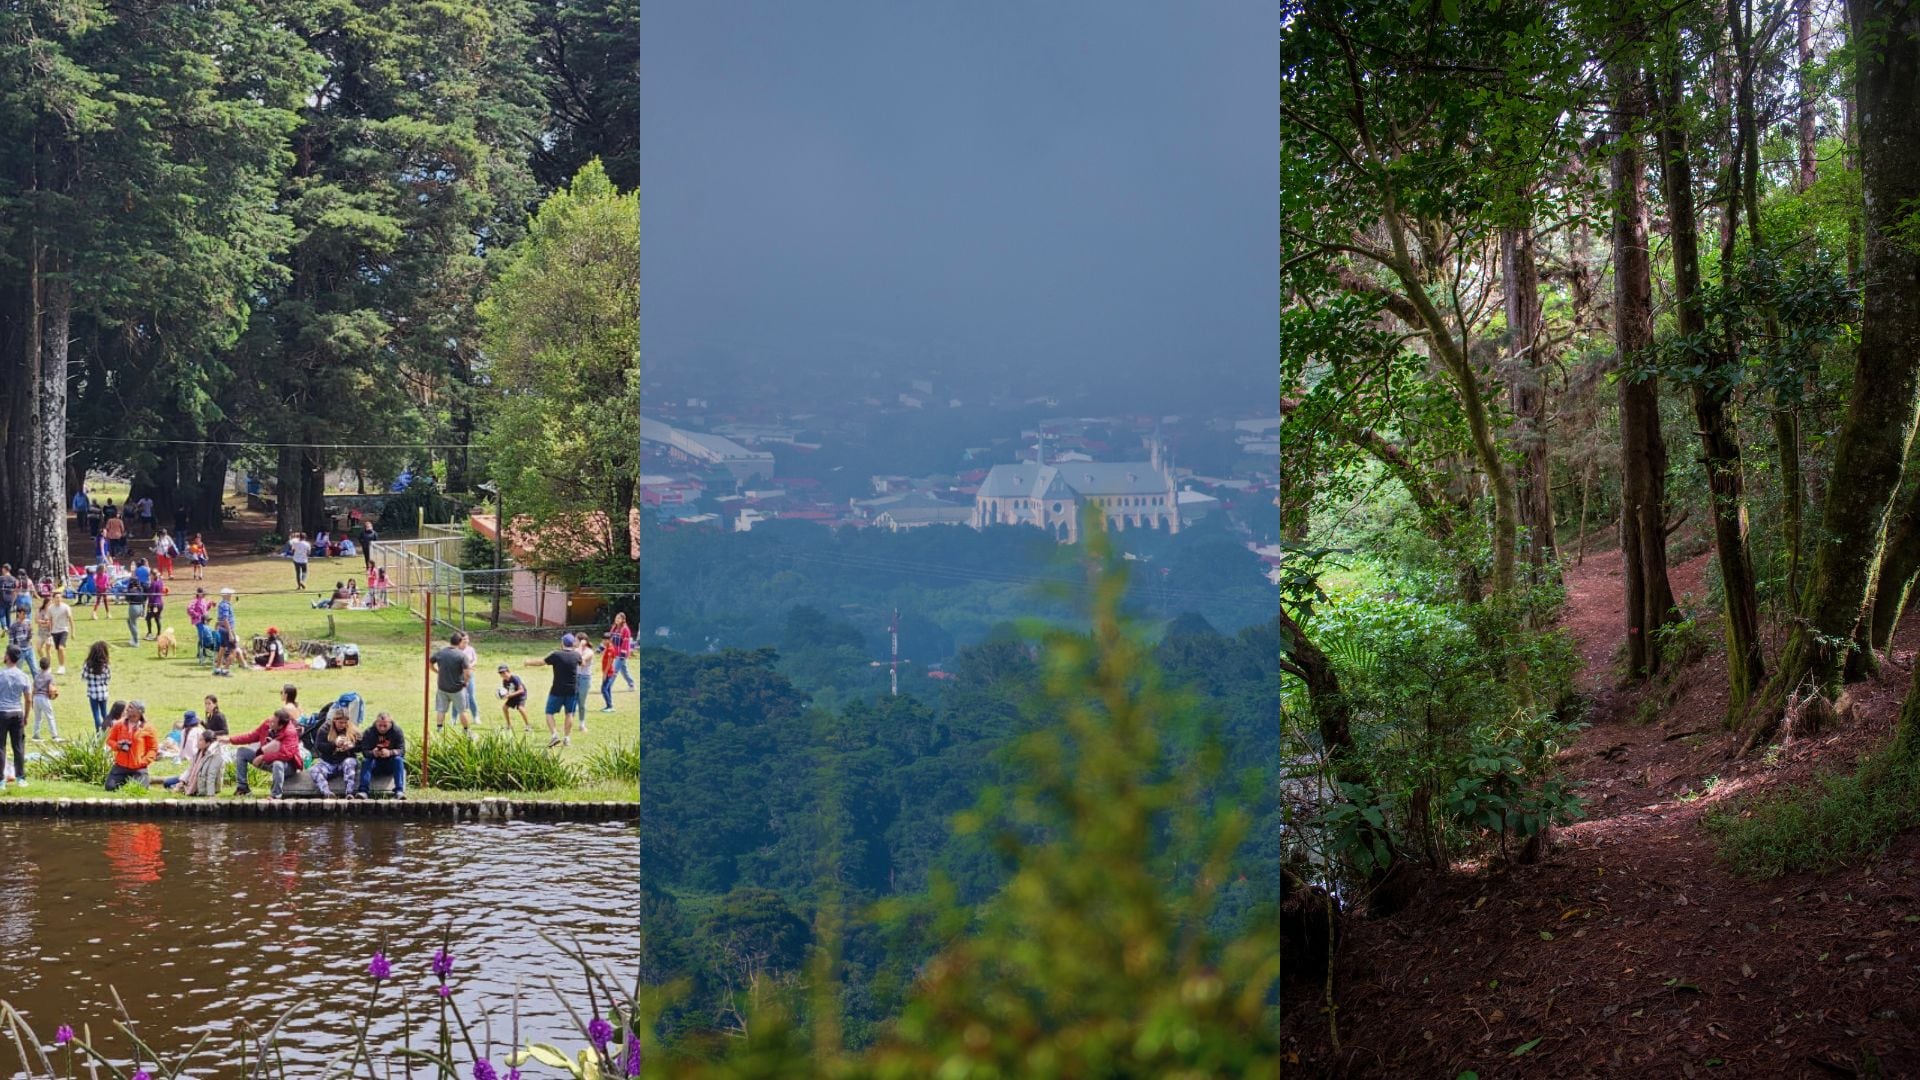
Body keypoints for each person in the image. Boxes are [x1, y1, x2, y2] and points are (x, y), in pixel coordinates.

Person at [224, 705, 302, 799]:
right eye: (271, 719)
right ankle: (243, 788)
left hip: (287, 766)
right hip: (267, 760)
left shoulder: (290, 732)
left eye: (273, 722)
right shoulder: (267, 724)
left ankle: (276, 795)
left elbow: (285, 754)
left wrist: (263, 757)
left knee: (278, 764)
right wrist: (230, 740)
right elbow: (252, 736)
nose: (270, 723)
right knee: (242, 752)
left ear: (281, 725)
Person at [526, 633, 582, 748]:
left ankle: (555, 735)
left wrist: (528, 662)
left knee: (549, 712)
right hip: (573, 690)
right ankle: (567, 738)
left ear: (562, 643)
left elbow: (541, 662)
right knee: (569, 713)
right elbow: (583, 663)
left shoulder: (556, 655)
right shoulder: (576, 655)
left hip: (557, 689)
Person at [103, 699, 159, 791]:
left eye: (130, 707)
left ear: (139, 711)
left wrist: (144, 761)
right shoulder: (119, 724)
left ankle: (135, 779)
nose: (127, 709)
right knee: (110, 787)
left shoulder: (149, 728)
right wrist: (118, 746)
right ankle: (126, 780)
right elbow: (110, 740)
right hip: (120, 765)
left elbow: (153, 748)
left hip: (138, 767)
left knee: (140, 789)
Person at [308, 707, 360, 797]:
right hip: (328, 762)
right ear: (334, 720)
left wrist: (352, 746)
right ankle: (326, 792)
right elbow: (319, 746)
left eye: (345, 723)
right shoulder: (325, 729)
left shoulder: (352, 729)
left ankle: (349, 792)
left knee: (350, 762)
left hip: (345, 761)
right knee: (314, 770)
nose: (343, 725)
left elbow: (363, 745)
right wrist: (334, 744)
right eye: (340, 722)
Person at [430, 631, 474, 735]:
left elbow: (429, 662)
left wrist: (436, 671)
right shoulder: (461, 656)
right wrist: (466, 682)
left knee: (441, 709)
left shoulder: (441, 653)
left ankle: (439, 729)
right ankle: (466, 730)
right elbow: (467, 673)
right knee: (462, 710)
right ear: (459, 642)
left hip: (442, 687)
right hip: (457, 688)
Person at [355, 711, 406, 799]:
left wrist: (390, 753)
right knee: (366, 761)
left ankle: (399, 791)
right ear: (376, 723)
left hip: (390, 763)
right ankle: (363, 791)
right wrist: (373, 753)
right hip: (375, 764)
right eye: (380, 725)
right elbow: (364, 751)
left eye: (385, 726)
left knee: (398, 760)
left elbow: (402, 751)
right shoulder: (369, 732)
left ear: (390, 723)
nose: (382, 728)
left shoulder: (397, 731)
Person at [0, 646, 30, 788]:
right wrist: (26, 716)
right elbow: (28, 699)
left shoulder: (1, 675)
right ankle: (20, 778)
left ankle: (1, 780)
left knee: (1, 746)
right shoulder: (24, 676)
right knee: (18, 746)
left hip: (2, 712)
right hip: (17, 712)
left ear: (8, 657)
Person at [81, 641, 113, 733]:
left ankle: (99, 732)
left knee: (96, 714)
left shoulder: (88, 665)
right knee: (105, 713)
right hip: (103, 692)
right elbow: (108, 677)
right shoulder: (105, 665)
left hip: (93, 693)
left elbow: (84, 677)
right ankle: (108, 730)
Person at [497, 664, 530, 732]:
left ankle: (528, 725)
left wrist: (510, 695)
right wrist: (504, 696)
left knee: (520, 708)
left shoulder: (515, 678)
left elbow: (521, 690)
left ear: (508, 671)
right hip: (513, 696)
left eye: (504, 672)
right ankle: (509, 725)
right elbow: (507, 691)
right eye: (500, 673)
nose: (503, 674)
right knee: (504, 707)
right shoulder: (504, 681)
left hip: (521, 695)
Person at [30, 660, 57, 743]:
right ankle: (54, 735)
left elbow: (33, 689)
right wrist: (54, 695)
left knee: (37, 718)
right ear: (49, 666)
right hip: (44, 698)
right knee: (50, 716)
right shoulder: (50, 676)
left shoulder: (37, 676)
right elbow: (51, 688)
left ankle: (36, 734)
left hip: (36, 697)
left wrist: (31, 700)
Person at [213, 588, 238, 676]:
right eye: (230, 594)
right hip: (227, 630)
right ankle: (225, 670)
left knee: (222, 648)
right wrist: (230, 632)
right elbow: (225, 619)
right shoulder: (225, 605)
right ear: (226, 595)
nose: (231, 596)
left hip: (222, 629)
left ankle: (217, 668)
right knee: (234, 650)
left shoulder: (221, 604)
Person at [47, 591, 73, 673]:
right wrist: (49, 632)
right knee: (58, 649)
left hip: (64, 630)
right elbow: (50, 620)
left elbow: (71, 619)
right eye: (56, 597)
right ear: (53, 599)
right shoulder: (50, 608)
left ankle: (62, 667)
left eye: (59, 597)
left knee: (61, 648)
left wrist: (73, 632)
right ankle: (60, 666)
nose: (58, 599)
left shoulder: (66, 607)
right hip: (54, 631)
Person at [609, 612, 636, 692]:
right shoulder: (614, 627)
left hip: (621, 654)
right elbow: (610, 639)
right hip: (615, 653)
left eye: (619, 618)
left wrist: (622, 654)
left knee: (614, 670)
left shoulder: (625, 629)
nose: (617, 620)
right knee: (624, 671)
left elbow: (626, 643)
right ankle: (631, 684)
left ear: (623, 620)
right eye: (616, 618)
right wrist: (602, 648)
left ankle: (608, 687)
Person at [122, 565, 147, 648]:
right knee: (129, 621)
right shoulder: (140, 589)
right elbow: (144, 600)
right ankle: (133, 637)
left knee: (133, 624)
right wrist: (143, 611)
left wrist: (126, 593)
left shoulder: (131, 590)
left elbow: (127, 599)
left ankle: (136, 642)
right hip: (140, 607)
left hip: (134, 607)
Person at [574, 634, 594, 732]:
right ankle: (569, 722)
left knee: (581, 702)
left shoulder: (589, 652)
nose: (575, 642)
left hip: (585, 678)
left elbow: (582, 661)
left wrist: (581, 647)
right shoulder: (576, 650)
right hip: (575, 677)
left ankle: (582, 724)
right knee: (572, 700)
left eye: (576, 640)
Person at [187, 587, 211, 663]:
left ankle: (202, 652)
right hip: (199, 621)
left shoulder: (203, 600)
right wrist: (197, 615)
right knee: (202, 636)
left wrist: (210, 604)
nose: (204, 595)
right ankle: (201, 653)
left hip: (205, 620)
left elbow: (205, 608)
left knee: (204, 636)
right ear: (199, 593)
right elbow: (189, 608)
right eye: (203, 593)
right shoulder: (195, 601)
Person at [142, 574, 166, 641]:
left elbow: (151, 595)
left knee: (148, 618)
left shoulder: (153, 584)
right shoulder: (160, 582)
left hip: (154, 604)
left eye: (150, 575)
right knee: (157, 619)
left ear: (153, 576)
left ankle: (150, 633)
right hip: (160, 603)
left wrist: (149, 604)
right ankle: (158, 634)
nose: (149, 576)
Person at [598, 635, 618, 712]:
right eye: (603, 640)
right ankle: (609, 706)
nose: (603, 642)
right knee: (608, 689)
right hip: (608, 672)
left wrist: (605, 673)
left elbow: (610, 662)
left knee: (604, 689)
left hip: (608, 672)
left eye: (605, 640)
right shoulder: (607, 647)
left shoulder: (610, 649)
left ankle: (610, 706)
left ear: (610, 640)